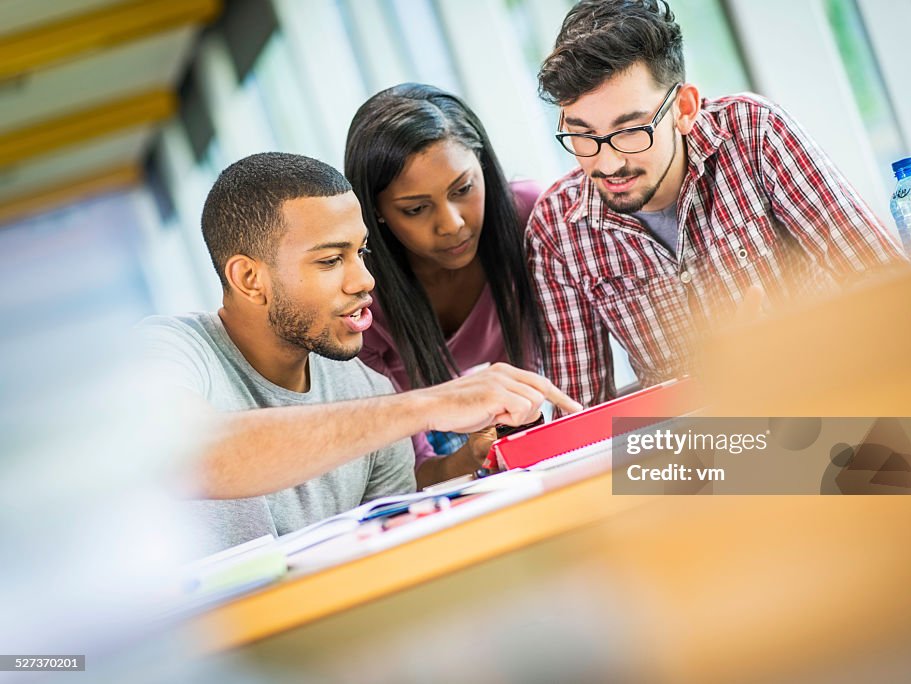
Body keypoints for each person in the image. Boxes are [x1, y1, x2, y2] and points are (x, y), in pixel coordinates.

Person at [138, 152, 580, 553]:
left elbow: (398, 544)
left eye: (361, 252)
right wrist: (427, 406)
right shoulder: (169, 350)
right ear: (250, 279)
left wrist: (473, 459)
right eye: (331, 261)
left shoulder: (366, 387)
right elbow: (190, 454)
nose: (365, 280)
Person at [527, 0, 907, 411]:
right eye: (583, 135)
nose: (606, 163)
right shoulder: (556, 230)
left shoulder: (754, 133)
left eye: (631, 130)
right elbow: (579, 418)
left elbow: (890, 292)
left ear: (684, 109)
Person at [345, 84, 545, 487]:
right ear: (376, 213)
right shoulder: (361, 300)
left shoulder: (531, 217)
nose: (452, 223)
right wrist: (472, 456)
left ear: (483, 167)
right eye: (416, 209)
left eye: (463, 189)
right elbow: (408, 474)